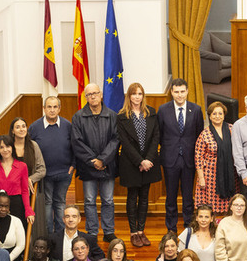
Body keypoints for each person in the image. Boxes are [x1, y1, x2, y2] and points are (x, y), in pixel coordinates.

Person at [70, 82, 119, 242]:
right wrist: (94, 161)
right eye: (90, 95)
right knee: (89, 201)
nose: (93, 97)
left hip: (107, 165)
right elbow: (77, 142)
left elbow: (115, 139)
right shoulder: (78, 117)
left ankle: (108, 231)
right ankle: (92, 232)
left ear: (101, 95)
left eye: (95, 93)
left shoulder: (112, 115)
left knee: (108, 200)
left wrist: (103, 159)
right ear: (86, 98)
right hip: (88, 166)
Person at [116, 82, 160, 248]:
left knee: (144, 198)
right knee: (132, 197)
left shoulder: (151, 113)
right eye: (134, 94)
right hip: (131, 163)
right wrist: (140, 161)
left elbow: (156, 137)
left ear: (143, 96)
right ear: (129, 96)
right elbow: (125, 143)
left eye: (139, 94)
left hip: (149, 162)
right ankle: (133, 232)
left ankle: (141, 231)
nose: (137, 97)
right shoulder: (121, 116)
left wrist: (148, 160)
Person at [156, 78, 204, 231]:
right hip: (170, 159)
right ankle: (171, 228)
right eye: (176, 92)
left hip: (189, 160)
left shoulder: (196, 110)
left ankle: (189, 227)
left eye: (182, 91)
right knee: (170, 197)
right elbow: (160, 134)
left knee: (188, 197)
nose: (179, 95)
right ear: (171, 92)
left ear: (187, 91)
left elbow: (199, 135)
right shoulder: (163, 110)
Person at [29, 96, 73, 234]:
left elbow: (76, 147)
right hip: (45, 175)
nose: (52, 110)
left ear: (59, 108)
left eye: (55, 107)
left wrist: (73, 164)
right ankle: (48, 234)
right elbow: (29, 149)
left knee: (60, 203)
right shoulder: (35, 127)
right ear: (44, 108)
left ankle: (60, 234)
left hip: (64, 173)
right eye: (49, 107)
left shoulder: (67, 126)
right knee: (47, 204)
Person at [195, 102, 237, 215]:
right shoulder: (205, 134)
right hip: (211, 177)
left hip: (230, 175)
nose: (217, 116)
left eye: (220, 113)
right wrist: (201, 178)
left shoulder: (232, 129)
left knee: (230, 208)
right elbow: (198, 158)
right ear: (209, 116)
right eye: (214, 114)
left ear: (224, 115)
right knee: (211, 210)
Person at [0, 134, 34, 227]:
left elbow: (24, 191)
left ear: (12, 147)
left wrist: (28, 210)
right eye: (1, 147)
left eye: (7, 146)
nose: (5, 150)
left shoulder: (22, 166)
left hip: (16, 205)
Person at [9, 116, 46, 235]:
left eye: (23, 126)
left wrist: (29, 179)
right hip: (12, 192)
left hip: (29, 191)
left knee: (27, 224)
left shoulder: (33, 145)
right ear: (12, 131)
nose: (21, 129)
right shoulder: (8, 147)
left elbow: (42, 169)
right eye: (18, 127)